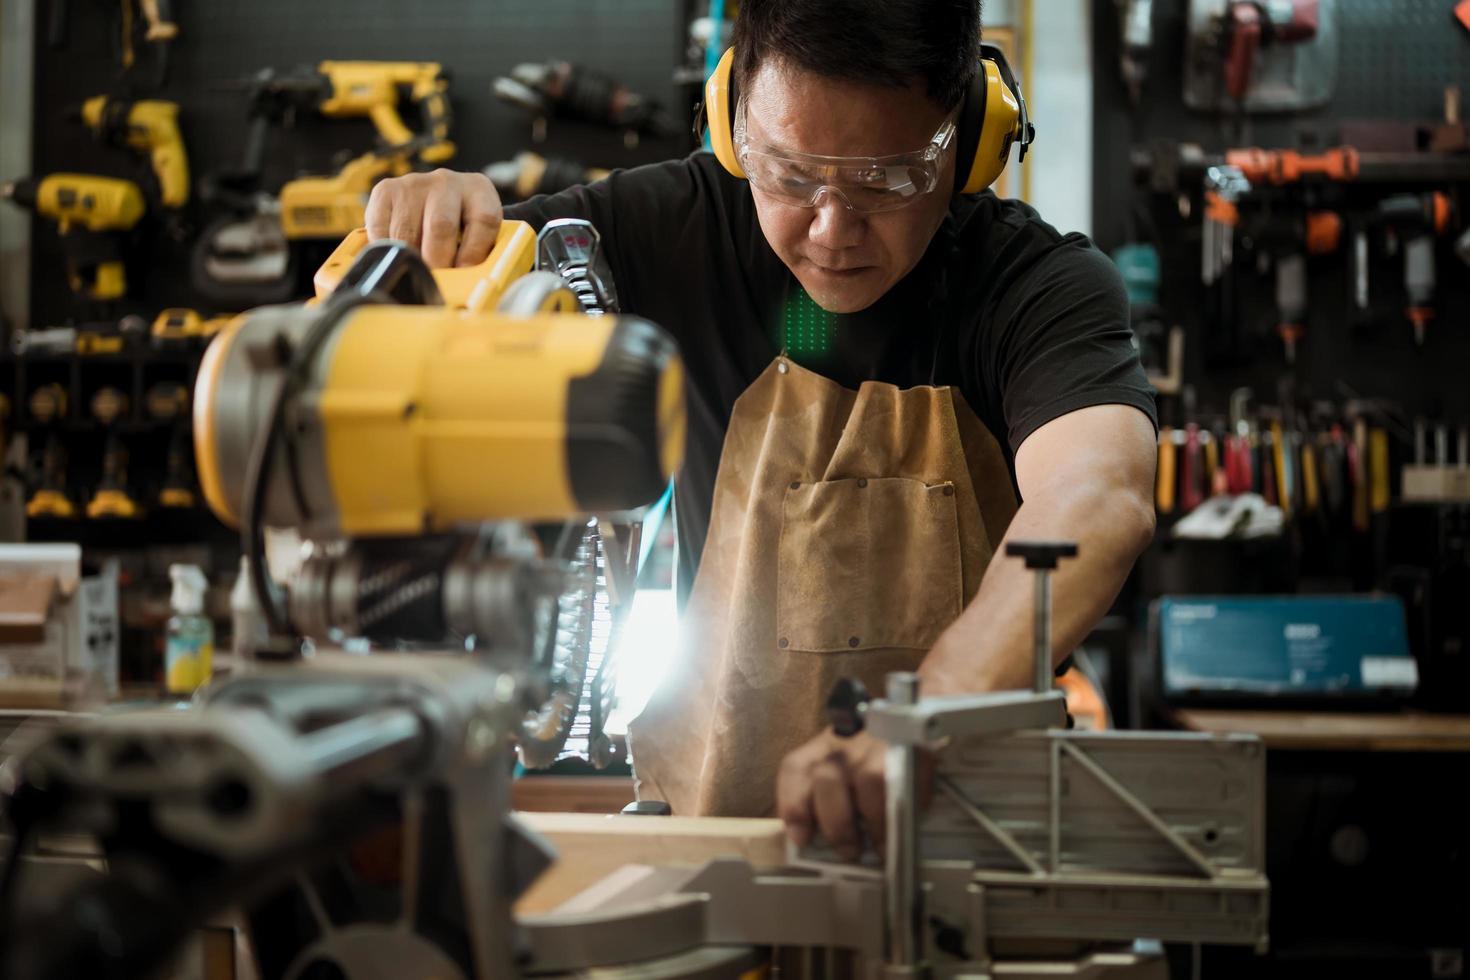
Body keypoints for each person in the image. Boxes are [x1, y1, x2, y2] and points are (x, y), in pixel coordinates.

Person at [365, 0, 1157, 861]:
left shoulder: (1039, 290)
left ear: (970, 140)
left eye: (884, 181)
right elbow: (456, 309)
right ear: (732, 120)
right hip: (713, 853)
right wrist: (444, 233)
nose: (829, 231)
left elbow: (1094, 493)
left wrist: (927, 711)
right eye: (786, 173)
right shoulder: (666, 233)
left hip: (967, 857)